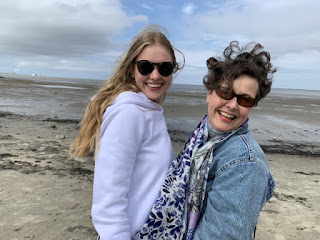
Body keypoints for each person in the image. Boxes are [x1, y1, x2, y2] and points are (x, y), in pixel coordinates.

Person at [134, 41, 276, 240]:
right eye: (225, 92)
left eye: (245, 100)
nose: (232, 105)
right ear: (209, 93)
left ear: (252, 106)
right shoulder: (201, 139)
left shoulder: (246, 165)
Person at [70, 25, 184, 239]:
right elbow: (108, 205)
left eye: (165, 68)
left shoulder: (149, 110)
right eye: (145, 67)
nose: (155, 75)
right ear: (132, 69)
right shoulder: (129, 114)